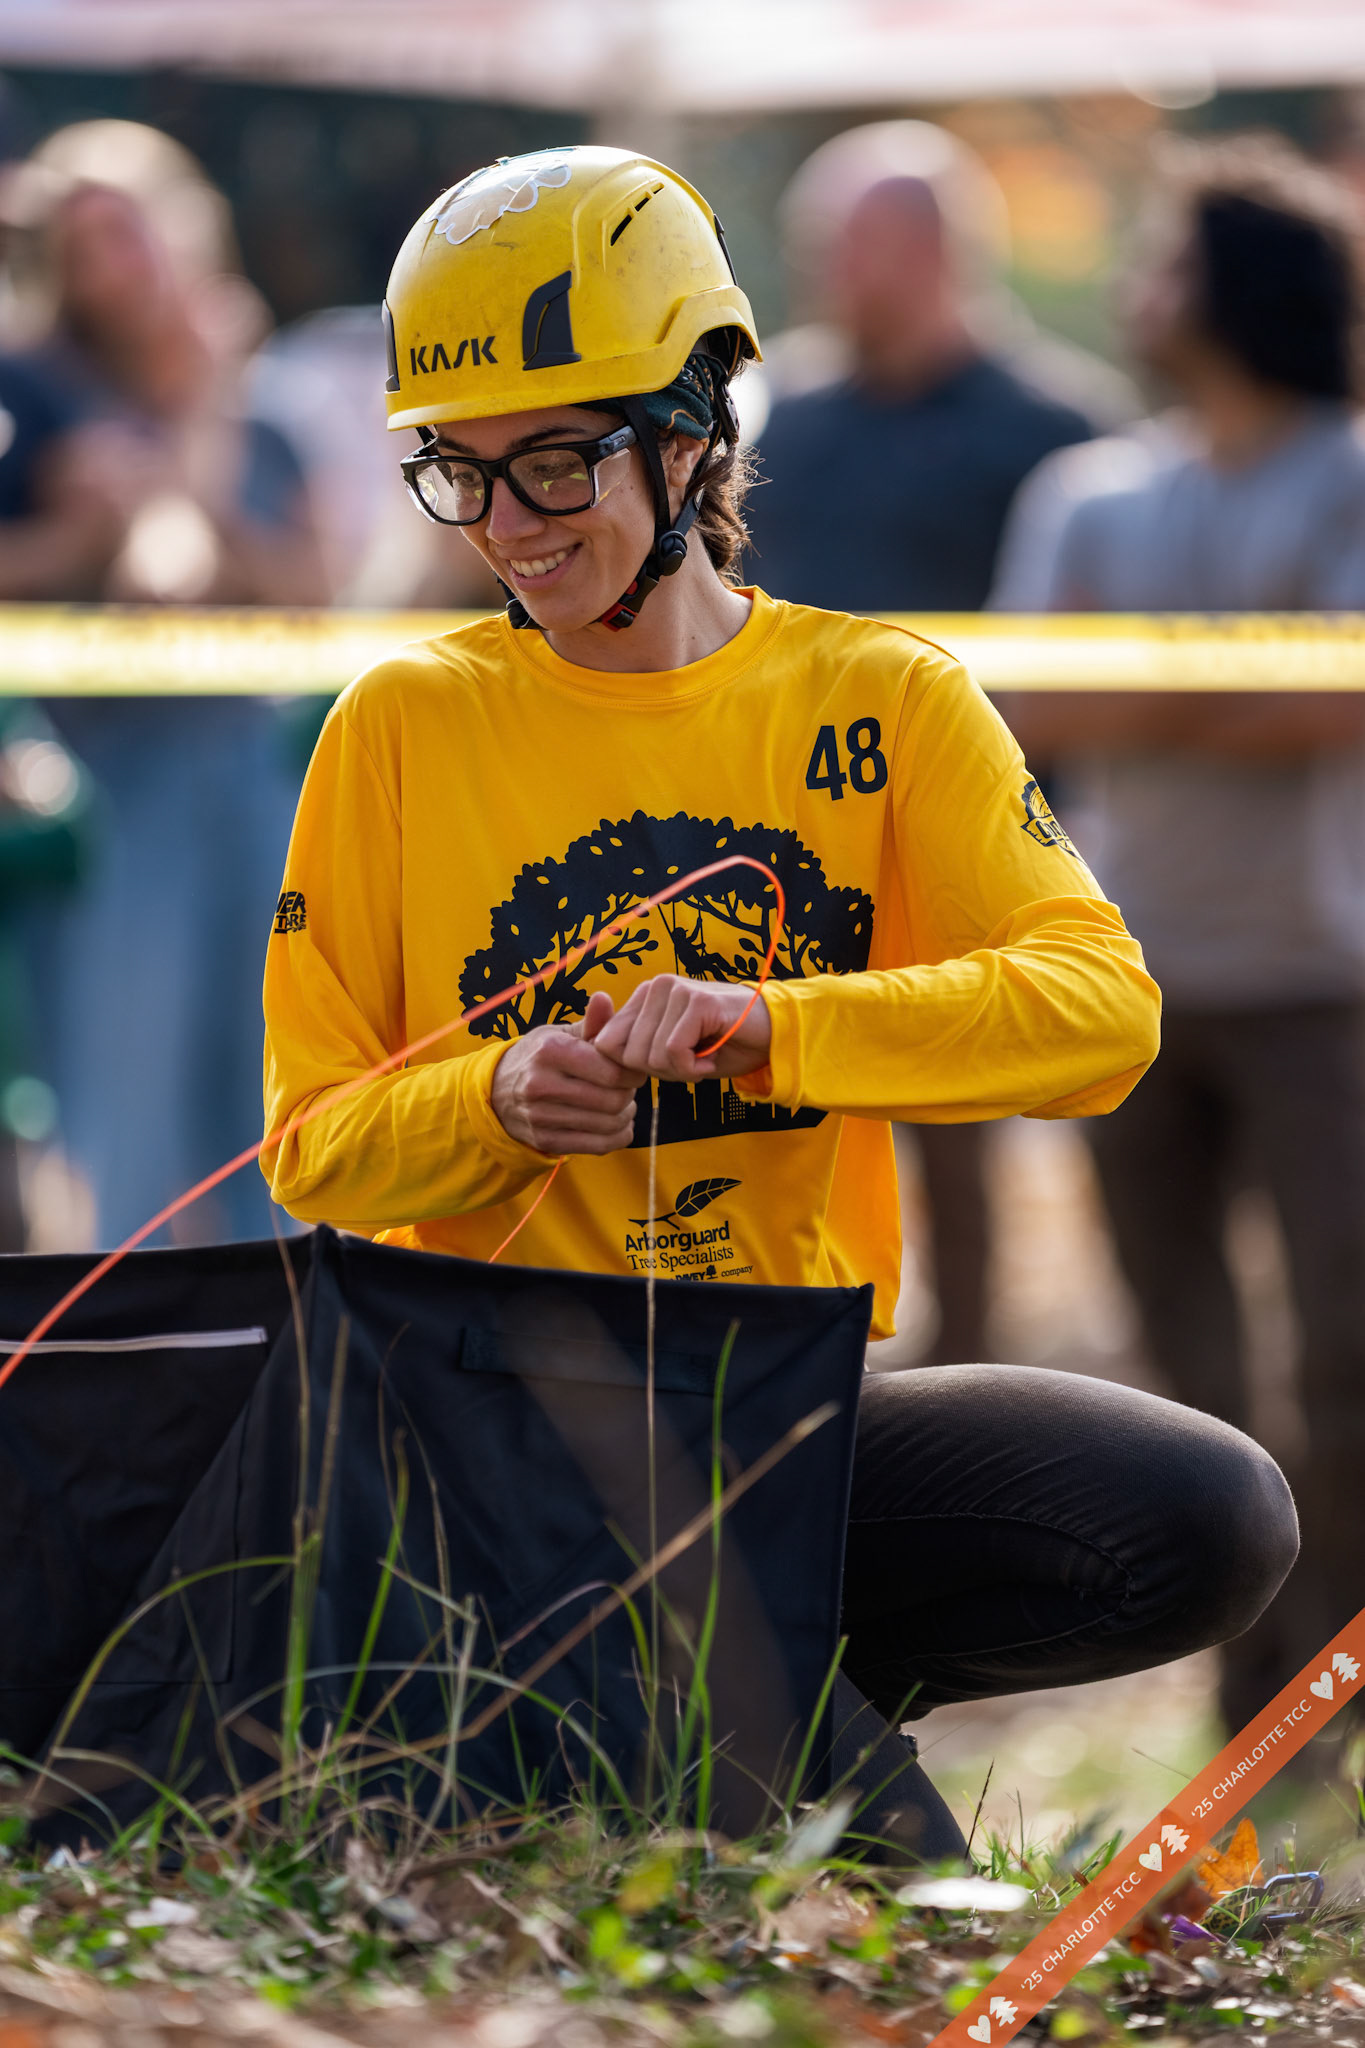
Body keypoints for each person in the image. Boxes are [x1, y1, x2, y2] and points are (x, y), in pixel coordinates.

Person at [260, 145, 1296, 1852]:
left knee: (1206, 1511)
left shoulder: (882, 698)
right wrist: (494, 1099)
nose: (508, 525)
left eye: (555, 462)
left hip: (780, 1409)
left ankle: (737, 1704)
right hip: (492, 1442)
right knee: (892, 1895)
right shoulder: (397, 726)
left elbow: (1100, 1013)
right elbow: (310, 1146)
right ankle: (673, 1738)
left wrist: (777, 1024)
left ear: (692, 435)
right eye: (459, 471)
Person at [991, 134, 1365, 1736]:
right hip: (1128, 992)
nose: (1138, 287)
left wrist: (1136, 692)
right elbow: (1025, 704)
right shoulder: (1088, 489)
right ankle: (1251, 1703)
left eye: (1167, 257)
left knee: (1348, 1361)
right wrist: (1237, 685)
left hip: (1323, 983)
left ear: (1241, 285)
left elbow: (1335, 698)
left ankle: (1335, 1694)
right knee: (1186, 1377)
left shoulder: (1348, 472)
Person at [745, 122, 1134, 1369]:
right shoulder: (784, 422)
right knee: (784, 1123)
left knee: (961, 1139)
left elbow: (1101, 654)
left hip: (973, 845)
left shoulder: (1060, 427)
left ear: (932, 251)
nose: (822, 270)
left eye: (843, 244)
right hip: (791, 841)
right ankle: (808, 1390)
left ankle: (970, 1387)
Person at [0, 122, 328, 1246]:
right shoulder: (38, 398)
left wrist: (210, 414)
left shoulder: (266, 410)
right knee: (123, 1112)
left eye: (130, 229)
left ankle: (276, 1340)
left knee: (267, 1102)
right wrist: (198, 416)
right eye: (86, 241)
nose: (118, 264)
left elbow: (309, 591)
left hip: (254, 778)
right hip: (107, 790)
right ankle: (121, 1341)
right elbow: (167, 581)